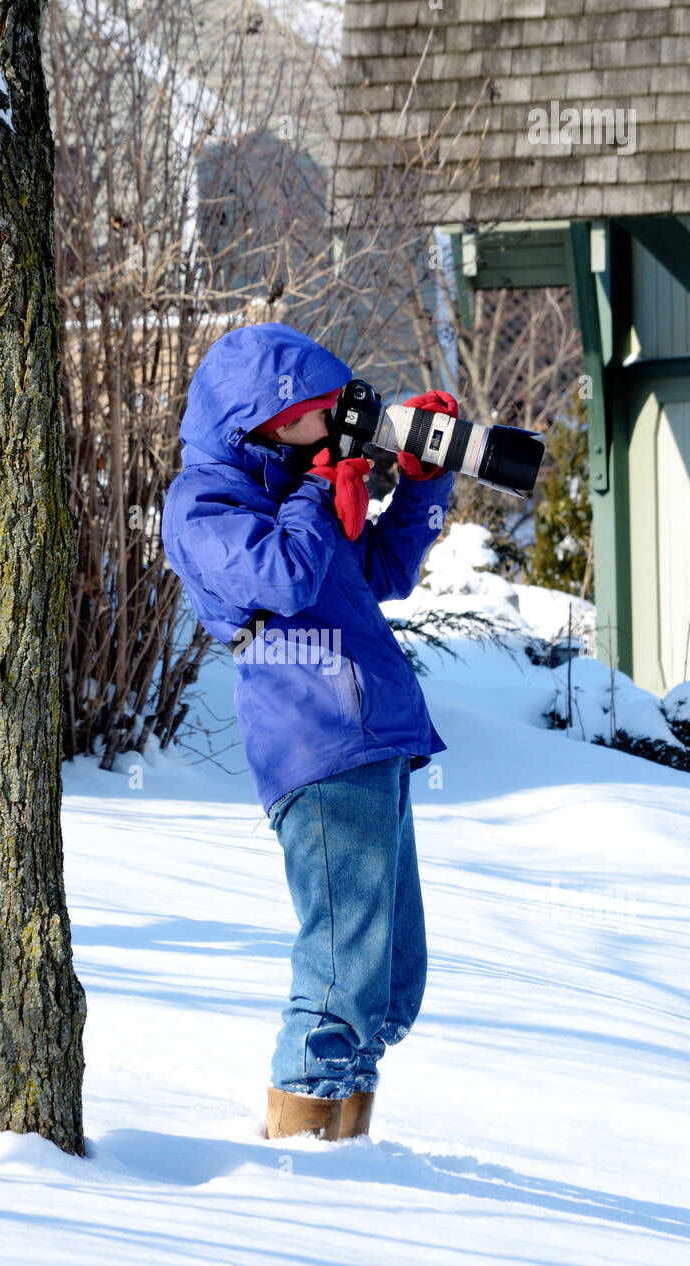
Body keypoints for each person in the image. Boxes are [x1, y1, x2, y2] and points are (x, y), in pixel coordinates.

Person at [161, 322, 457, 1142]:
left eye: (335, 408)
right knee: (341, 969)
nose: (332, 423)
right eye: (315, 412)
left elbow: (385, 575)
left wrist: (420, 484)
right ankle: (305, 1162)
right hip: (315, 738)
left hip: (375, 734)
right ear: (260, 417)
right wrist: (327, 485)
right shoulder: (204, 505)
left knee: (390, 981)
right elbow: (285, 577)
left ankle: (346, 1146)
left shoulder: (308, 488)